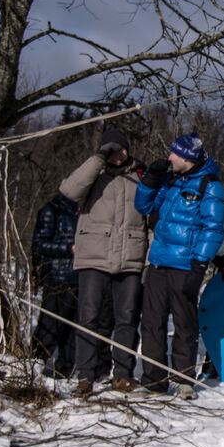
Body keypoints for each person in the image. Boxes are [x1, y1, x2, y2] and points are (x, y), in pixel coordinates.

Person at [134, 132, 224, 392]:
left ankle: (183, 378)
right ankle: (153, 378)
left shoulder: (210, 185)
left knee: (185, 323)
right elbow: (143, 207)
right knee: (152, 322)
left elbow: (213, 227)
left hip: (185, 265)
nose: (169, 157)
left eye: (175, 153)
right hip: (158, 262)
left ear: (189, 158)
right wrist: (150, 180)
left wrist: (199, 264)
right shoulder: (170, 180)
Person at [59, 129, 148, 395]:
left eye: (122, 149)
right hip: (93, 257)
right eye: (112, 150)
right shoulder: (92, 175)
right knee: (89, 316)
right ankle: (85, 375)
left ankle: (122, 374)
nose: (118, 155)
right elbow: (68, 191)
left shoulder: (140, 177)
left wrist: (149, 254)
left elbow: (151, 218)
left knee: (127, 318)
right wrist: (98, 158)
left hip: (130, 257)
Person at [30, 193, 79, 377]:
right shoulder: (52, 209)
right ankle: (32, 367)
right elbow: (38, 244)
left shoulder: (90, 210)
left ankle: (64, 374)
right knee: (49, 328)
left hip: (82, 278)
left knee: (73, 332)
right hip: (58, 278)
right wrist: (68, 249)